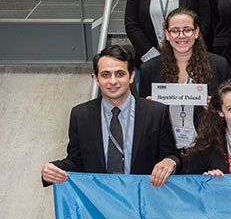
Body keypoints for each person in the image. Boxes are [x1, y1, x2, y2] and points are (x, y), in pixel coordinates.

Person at [41, 45, 179, 187]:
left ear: (131, 76)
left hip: (143, 198)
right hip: (101, 201)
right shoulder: (81, 115)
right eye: (105, 75)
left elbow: (170, 154)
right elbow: (76, 162)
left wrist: (169, 162)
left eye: (120, 74)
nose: (113, 81)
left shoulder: (156, 112)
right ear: (96, 78)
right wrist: (52, 169)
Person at [139, 7, 231, 172]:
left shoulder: (218, 65)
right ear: (167, 35)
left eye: (187, 30)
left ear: (197, 32)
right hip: (166, 155)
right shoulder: (150, 69)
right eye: (175, 31)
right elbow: (143, 120)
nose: (181, 36)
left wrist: (219, 107)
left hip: (208, 152)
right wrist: (148, 109)